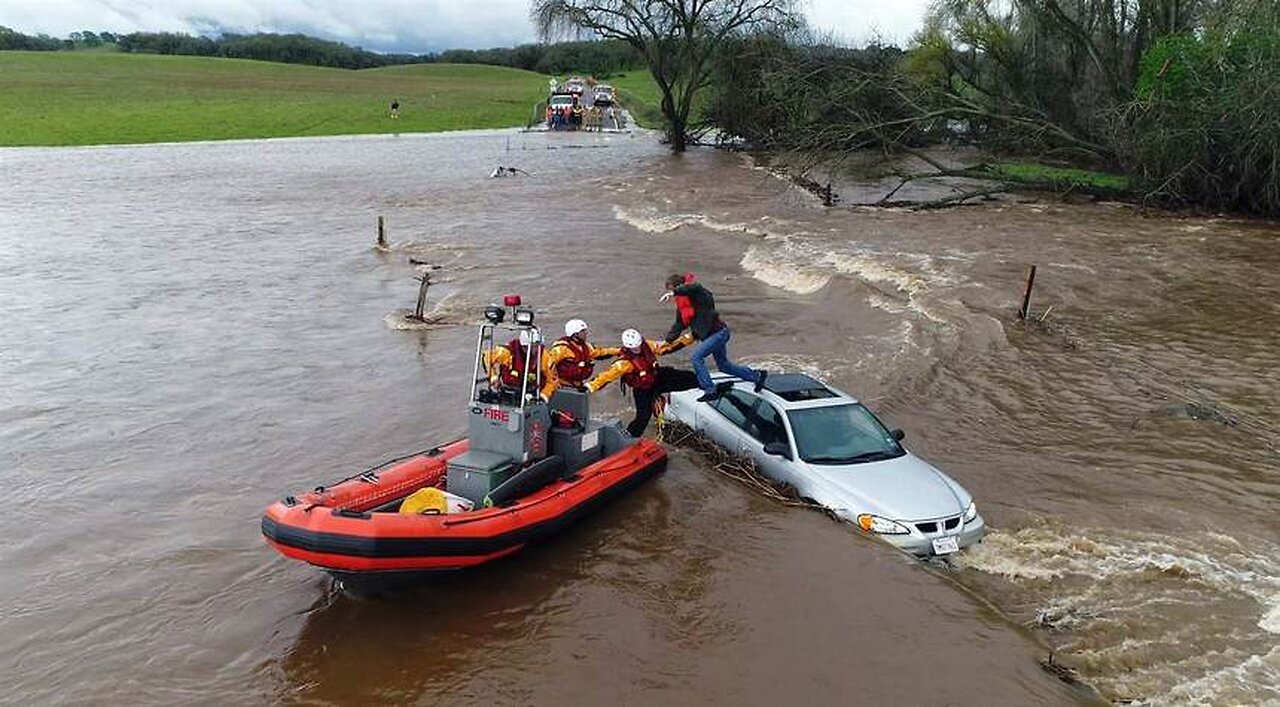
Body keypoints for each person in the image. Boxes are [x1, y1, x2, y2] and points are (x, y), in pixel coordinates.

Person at [662, 272, 766, 402]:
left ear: (679, 287)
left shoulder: (699, 295)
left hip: (719, 333)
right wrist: (667, 341)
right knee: (724, 366)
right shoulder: (683, 305)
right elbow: (679, 324)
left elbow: (696, 287)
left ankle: (710, 390)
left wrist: (675, 292)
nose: (672, 295)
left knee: (696, 357)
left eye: (672, 291)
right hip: (711, 336)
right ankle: (757, 376)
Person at [587, 329, 697, 437]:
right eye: (634, 348)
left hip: (656, 378)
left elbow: (667, 348)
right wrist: (590, 386)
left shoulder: (648, 345)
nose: (638, 349)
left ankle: (708, 387)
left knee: (688, 377)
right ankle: (629, 436)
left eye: (639, 346)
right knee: (643, 417)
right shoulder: (623, 363)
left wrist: (690, 337)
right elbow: (606, 376)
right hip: (642, 389)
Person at [540, 319, 619, 400]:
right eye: (582, 331)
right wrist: (553, 383)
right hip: (562, 387)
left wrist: (618, 351)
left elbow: (601, 353)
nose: (586, 333)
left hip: (578, 387)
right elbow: (548, 365)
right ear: (575, 334)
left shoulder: (586, 347)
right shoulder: (561, 349)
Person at [484, 329, 544, 400]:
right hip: (507, 390)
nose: (536, 349)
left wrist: (543, 396)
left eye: (537, 346)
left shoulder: (542, 355)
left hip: (529, 392)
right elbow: (487, 357)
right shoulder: (507, 352)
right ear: (524, 346)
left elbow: (551, 379)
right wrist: (494, 378)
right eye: (534, 346)